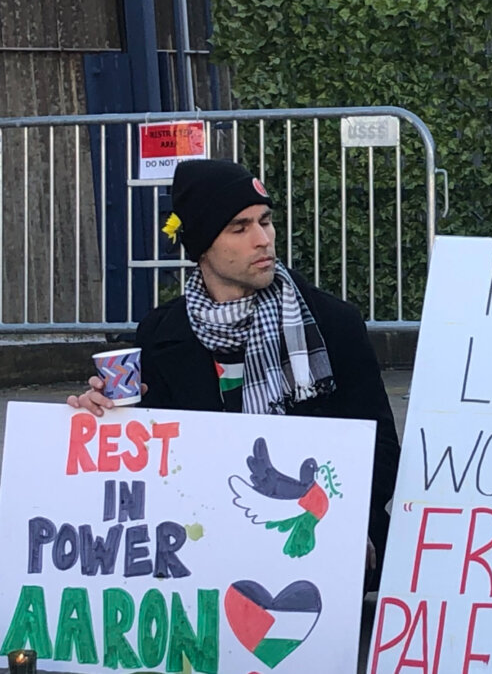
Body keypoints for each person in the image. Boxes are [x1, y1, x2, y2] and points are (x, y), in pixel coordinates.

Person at [68, 159, 402, 588]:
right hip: (205, 555)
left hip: (320, 546)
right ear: (203, 245)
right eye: (240, 228)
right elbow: (151, 471)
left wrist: (345, 523)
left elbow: (381, 448)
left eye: (265, 221)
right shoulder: (159, 334)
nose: (263, 240)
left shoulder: (331, 323)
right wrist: (104, 417)